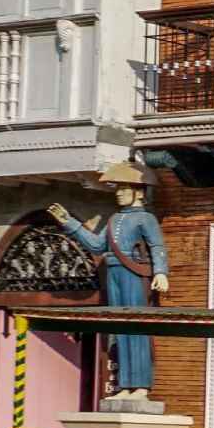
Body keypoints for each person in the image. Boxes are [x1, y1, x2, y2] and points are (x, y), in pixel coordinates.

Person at [47, 162, 168, 399]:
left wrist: (161, 272)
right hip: (113, 272)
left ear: (139, 192)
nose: (118, 193)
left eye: (124, 188)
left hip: (134, 272)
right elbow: (96, 245)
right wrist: (69, 222)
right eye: (118, 188)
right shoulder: (114, 219)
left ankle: (141, 386)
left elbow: (157, 246)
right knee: (118, 327)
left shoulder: (146, 218)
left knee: (137, 326)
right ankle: (125, 384)